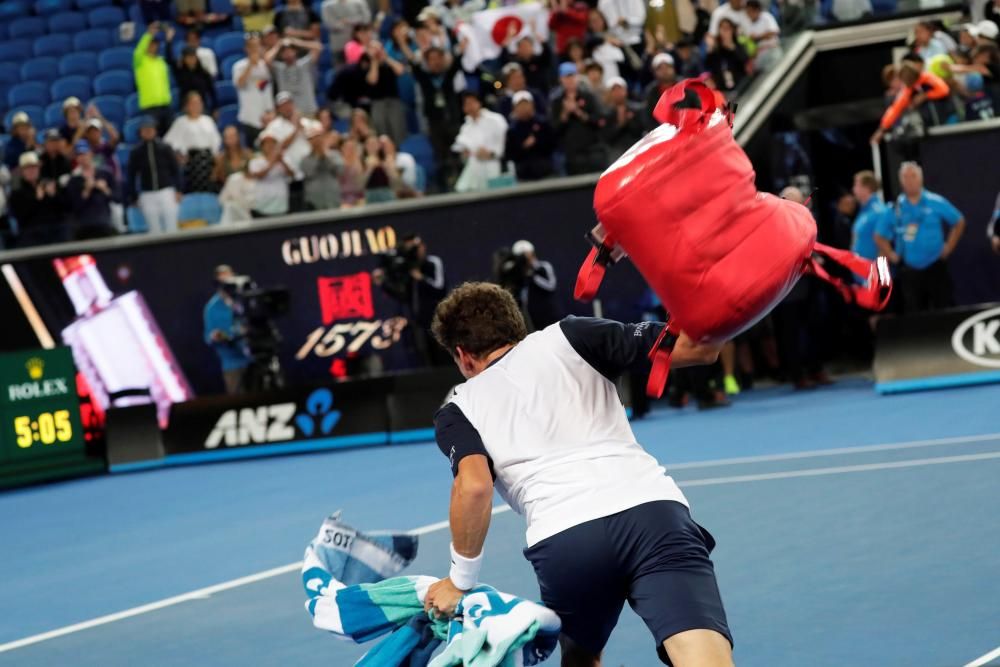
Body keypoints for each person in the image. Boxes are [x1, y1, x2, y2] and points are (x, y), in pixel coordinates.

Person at [423, 282, 733, 667]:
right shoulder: (571, 334)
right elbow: (698, 347)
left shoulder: (457, 407)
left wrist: (459, 581)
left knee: (580, 657)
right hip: (653, 515)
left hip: (566, 541)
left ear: (462, 355)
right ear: (518, 328)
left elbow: (473, 486)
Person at [875, 162, 966, 312]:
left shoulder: (935, 201)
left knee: (944, 309)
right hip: (910, 270)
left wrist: (949, 247)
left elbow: (959, 221)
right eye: (906, 177)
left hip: (935, 265)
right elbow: (879, 235)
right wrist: (891, 255)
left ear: (921, 178)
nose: (910, 180)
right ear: (901, 180)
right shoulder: (895, 207)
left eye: (913, 176)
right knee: (915, 313)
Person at [372, 233, 447, 365]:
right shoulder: (406, 269)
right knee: (422, 357)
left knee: (443, 355)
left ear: (422, 246)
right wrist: (384, 284)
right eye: (409, 249)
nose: (414, 252)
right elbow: (403, 296)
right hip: (417, 322)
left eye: (415, 247)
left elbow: (440, 289)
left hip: (438, 319)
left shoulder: (432, 262)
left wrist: (421, 278)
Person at [409, 46, 464, 191]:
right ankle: (444, 186)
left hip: (452, 120)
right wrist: (419, 54)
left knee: (457, 152)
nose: (435, 62)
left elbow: (456, 65)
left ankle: (461, 180)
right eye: (431, 59)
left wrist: (459, 51)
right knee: (440, 156)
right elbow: (415, 69)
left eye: (438, 58)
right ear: (427, 62)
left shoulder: (447, 76)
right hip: (435, 123)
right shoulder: (426, 79)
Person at [551, 62, 608, 175]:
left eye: (572, 76)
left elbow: (599, 121)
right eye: (566, 77)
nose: (570, 80)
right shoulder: (557, 102)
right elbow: (554, 129)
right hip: (572, 154)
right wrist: (565, 113)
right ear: (561, 79)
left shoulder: (588, 96)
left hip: (593, 149)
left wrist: (579, 113)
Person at [870, 62, 950, 143]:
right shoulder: (908, 89)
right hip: (932, 129)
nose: (904, 83)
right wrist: (881, 129)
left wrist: (925, 96)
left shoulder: (927, 77)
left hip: (948, 121)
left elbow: (944, 90)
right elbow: (895, 109)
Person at [127, 116, 182, 234]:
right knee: (154, 229)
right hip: (147, 193)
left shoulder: (165, 148)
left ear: (155, 130)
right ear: (140, 132)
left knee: (171, 227)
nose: (148, 131)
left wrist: (178, 189)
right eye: (145, 129)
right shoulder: (136, 152)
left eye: (150, 129)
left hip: (166, 190)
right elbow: (131, 175)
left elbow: (175, 169)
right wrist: (133, 196)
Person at [204, 264, 252, 394]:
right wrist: (217, 336)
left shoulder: (245, 301)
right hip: (233, 366)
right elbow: (208, 337)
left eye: (229, 280)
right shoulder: (211, 308)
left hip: (253, 362)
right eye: (223, 281)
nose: (227, 285)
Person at [164, 92, 222, 194]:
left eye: (199, 102)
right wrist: (178, 156)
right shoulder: (181, 122)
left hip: (209, 160)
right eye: (193, 103)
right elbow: (168, 142)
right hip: (192, 161)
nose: (197, 105)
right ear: (186, 106)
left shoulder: (208, 120)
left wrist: (217, 163)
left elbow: (216, 142)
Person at [9, 152, 70, 247]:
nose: (31, 171)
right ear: (22, 171)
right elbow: (21, 218)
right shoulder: (17, 193)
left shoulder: (49, 184)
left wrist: (54, 195)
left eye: (34, 167)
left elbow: (65, 208)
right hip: (32, 239)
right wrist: (36, 199)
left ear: (39, 168)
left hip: (56, 235)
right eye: (27, 168)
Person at [452, 91, 508, 193]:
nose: (470, 107)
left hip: (494, 164)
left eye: (472, 103)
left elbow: (504, 144)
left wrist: (491, 154)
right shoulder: (465, 127)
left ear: (479, 103)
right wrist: (466, 153)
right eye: (466, 104)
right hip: (474, 167)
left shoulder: (496, 119)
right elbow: (461, 148)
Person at [66, 141, 117, 239]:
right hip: (83, 226)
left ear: (91, 154)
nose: (83, 157)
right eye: (79, 155)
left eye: (85, 153)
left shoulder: (105, 173)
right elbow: (73, 207)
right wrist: (86, 191)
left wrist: (105, 189)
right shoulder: (73, 180)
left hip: (104, 222)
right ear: (76, 158)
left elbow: (117, 198)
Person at [233, 34, 276, 148]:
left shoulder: (265, 66)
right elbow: (239, 84)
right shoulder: (239, 66)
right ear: (246, 49)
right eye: (252, 46)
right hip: (250, 118)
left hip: (267, 118)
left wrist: (271, 111)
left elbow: (267, 90)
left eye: (257, 46)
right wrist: (250, 65)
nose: (255, 49)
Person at [504, 91, 557, 182]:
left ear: (532, 105)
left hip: (546, 173)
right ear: (514, 108)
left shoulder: (543, 124)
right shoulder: (512, 130)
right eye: (520, 105)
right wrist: (523, 146)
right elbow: (510, 154)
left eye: (526, 104)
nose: (524, 108)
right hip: (523, 176)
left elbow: (553, 145)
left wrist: (537, 142)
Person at [134, 22, 175, 136]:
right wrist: (148, 34)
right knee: (153, 137)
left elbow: (171, 58)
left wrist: (169, 40)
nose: (153, 46)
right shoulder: (140, 61)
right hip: (150, 107)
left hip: (165, 105)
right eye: (151, 44)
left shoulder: (161, 61)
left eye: (155, 44)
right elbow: (138, 51)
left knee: (171, 138)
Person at [266, 37, 323, 116]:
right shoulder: (279, 69)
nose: (287, 53)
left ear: (295, 51)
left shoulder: (304, 64)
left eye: (290, 50)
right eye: (284, 52)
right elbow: (267, 59)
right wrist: (279, 45)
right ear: (281, 55)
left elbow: (318, 47)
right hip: (289, 114)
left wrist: (296, 42)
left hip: (308, 110)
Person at [247, 131, 294, 216]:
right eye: (267, 144)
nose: (270, 146)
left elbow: (292, 175)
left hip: (281, 205)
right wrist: (272, 162)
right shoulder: (255, 161)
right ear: (262, 147)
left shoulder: (284, 159)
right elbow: (259, 176)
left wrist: (282, 161)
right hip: (262, 206)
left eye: (273, 143)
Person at [301, 125, 344, 210]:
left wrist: (325, 156)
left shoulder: (335, 154)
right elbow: (309, 173)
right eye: (313, 138)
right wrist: (318, 157)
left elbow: (339, 171)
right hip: (314, 200)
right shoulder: (305, 159)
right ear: (309, 141)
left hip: (333, 197)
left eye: (318, 137)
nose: (316, 141)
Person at [851, 170, 888, 261]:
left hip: (873, 272)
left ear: (866, 188)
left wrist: (878, 274)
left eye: (856, 185)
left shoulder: (879, 211)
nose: (853, 189)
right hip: (860, 271)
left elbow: (884, 245)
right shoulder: (863, 211)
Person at [170, 44, 218, 113]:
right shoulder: (180, 72)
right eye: (188, 57)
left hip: (202, 108)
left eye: (193, 56)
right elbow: (170, 59)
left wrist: (215, 108)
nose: (191, 59)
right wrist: (169, 42)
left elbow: (212, 91)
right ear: (184, 59)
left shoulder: (204, 73)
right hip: (186, 109)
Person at [706, 19, 750, 94]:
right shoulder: (716, 50)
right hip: (723, 88)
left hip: (740, 86)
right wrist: (710, 48)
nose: (725, 32)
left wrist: (731, 47)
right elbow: (709, 65)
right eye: (722, 29)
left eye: (727, 29)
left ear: (732, 30)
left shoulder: (738, 46)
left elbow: (744, 60)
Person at [605, 76, 644, 158]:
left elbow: (639, 131)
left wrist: (628, 120)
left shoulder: (637, 109)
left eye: (619, 89)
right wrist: (620, 125)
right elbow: (607, 137)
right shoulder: (606, 113)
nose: (617, 92)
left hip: (637, 145)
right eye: (614, 90)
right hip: (616, 149)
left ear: (625, 90)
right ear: (609, 94)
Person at [642, 53, 678, 130]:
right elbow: (647, 117)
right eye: (660, 68)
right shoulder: (651, 91)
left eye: (667, 67)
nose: (664, 71)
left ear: (673, 68)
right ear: (654, 72)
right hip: (661, 131)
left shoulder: (684, 85)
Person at [744, 0, 781, 72]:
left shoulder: (766, 16)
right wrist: (764, 35)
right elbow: (750, 39)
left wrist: (758, 37)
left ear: (757, 10)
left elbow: (774, 32)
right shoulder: (747, 23)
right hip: (759, 55)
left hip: (772, 50)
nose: (748, 14)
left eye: (750, 11)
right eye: (747, 12)